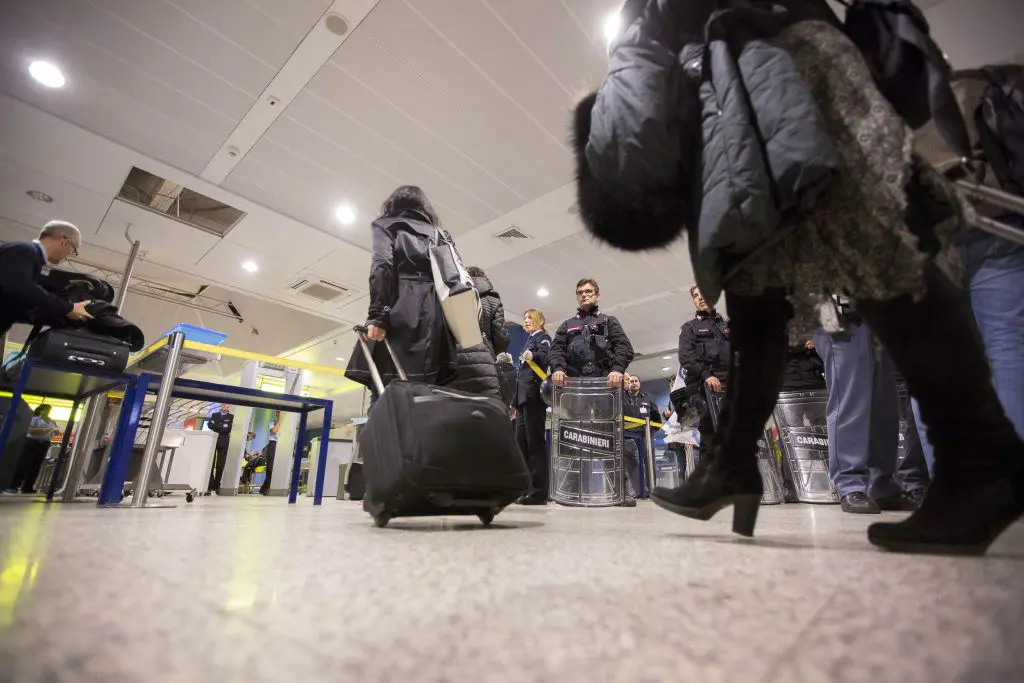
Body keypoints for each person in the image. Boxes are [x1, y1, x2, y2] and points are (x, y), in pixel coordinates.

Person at [572, 0, 1023, 554]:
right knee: (753, 279)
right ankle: (733, 463)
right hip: (737, 76)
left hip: (783, 61)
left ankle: (980, 456)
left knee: (871, 245)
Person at [345, 186, 458, 394]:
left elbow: (382, 266)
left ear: (393, 203)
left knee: (387, 385)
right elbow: (452, 277)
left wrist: (377, 316)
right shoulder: (439, 234)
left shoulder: (385, 225)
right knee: (425, 391)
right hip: (433, 314)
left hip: (399, 305)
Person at [812, 318, 928, 514]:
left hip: (878, 304)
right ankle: (850, 484)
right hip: (840, 303)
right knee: (850, 396)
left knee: (883, 400)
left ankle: (880, 482)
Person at [0, 221, 92, 345]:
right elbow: (19, 286)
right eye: (73, 251)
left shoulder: (27, 256)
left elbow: (11, 304)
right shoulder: (26, 250)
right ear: (65, 242)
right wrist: (68, 308)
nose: (68, 257)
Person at [548, 278, 634, 389]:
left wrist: (617, 370)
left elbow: (624, 347)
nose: (584, 295)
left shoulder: (609, 321)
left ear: (597, 296)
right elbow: (556, 350)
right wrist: (558, 369)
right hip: (575, 386)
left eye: (588, 291)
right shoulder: (567, 325)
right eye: (580, 292)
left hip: (605, 384)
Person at [678, 285, 729, 448]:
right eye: (695, 296)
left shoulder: (727, 326)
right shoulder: (689, 327)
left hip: (729, 386)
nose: (700, 297)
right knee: (712, 436)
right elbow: (686, 357)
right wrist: (706, 375)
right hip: (703, 388)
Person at [448, 266, 508, 397]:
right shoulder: (493, 299)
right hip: (484, 363)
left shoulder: (452, 293)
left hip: (454, 360)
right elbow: (501, 338)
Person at [513, 308, 552, 505]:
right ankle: (526, 489)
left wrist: (534, 355)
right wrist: (514, 403)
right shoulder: (528, 340)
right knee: (521, 444)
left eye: (530, 317)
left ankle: (539, 492)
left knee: (535, 444)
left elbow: (545, 358)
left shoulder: (543, 338)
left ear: (540, 320)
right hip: (522, 399)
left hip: (534, 398)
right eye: (525, 317)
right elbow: (521, 375)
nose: (526, 320)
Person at [622, 373, 660, 499]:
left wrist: (653, 430)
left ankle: (652, 489)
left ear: (639, 383)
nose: (633, 383)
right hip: (628, 436)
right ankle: (638, 491)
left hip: (645, 435)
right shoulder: (623, 397)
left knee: (649, 463)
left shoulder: (647, 398)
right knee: (632, 465)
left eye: (635, 381)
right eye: (631, 381)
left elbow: (656, 415)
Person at [6, 404, 57, 494]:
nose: (47, 411)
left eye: (49, 410)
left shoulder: (51, 421)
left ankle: (28, 487)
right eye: (45, 409)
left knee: (35, 467)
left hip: (44, 444)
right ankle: (14, 486)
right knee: (24, 464)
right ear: (40, 410)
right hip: (32, 443)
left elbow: (54, 431)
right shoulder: (35, 419)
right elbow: (31, 430)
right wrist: (47, 429)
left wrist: (54, 430)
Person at [206, 404, 234, 495]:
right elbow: (210, 425)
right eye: (224, 405)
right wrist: (222, 426)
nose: (225, 407)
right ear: (221, 406)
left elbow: (228, 429)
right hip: (213, 440)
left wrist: (217, 425)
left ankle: (217, 485)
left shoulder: (231, 417)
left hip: (224, 442)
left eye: (227, 406)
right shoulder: (214, 415)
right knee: (210, 463)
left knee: (220, 465)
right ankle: (209, 486)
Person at [259, 411, 280, 496]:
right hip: (273, 444)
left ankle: (266, 488)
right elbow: (274, 431)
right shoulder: (272, 422)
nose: (279, 414)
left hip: (282, 444)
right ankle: (266, 488)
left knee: (278, 468)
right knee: (270, 467)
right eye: (278, 413)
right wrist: (279, 421)